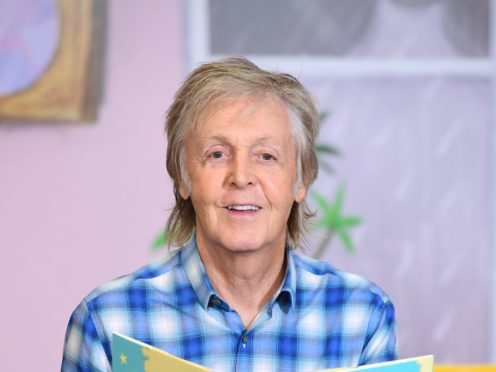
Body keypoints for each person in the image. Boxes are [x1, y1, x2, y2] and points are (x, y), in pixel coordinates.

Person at [62, 57, 397, 371]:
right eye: (217, 154)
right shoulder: (107, 320)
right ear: (182, 178)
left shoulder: (363, 314)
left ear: (301, 180)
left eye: (266, 156)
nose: (241, 176)